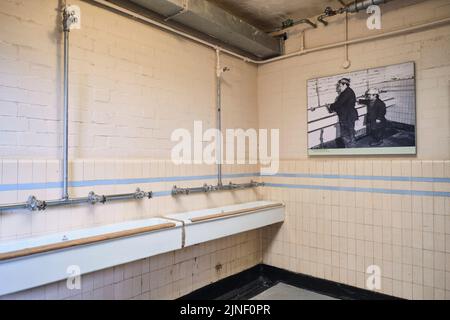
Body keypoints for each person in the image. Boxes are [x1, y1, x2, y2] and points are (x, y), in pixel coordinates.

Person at [326, 78, 358, 147]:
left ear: (345, 85)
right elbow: (342, 104)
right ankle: (351, 149)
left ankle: (351, 150)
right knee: (349, 134)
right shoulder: (348, 91)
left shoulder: (346, 93)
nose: (339, 87)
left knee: (347, 135)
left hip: (347, 117)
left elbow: (339, 103)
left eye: (340, 86)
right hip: (348, 116)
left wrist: (330, 106)